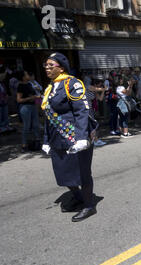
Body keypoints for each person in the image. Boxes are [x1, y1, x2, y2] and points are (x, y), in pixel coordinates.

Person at [41, 52, 97, 222]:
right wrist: (46, 140)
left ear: (62, 68)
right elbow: (49, 116)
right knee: (63, 173)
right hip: (57, 138)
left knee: (82, 173)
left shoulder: (73, 84)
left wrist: (81, 138)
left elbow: (81, 111)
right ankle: (78, 196)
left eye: (51, 65)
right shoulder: (51, 87)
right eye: (46, 65)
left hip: (75, 136)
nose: (47, 68)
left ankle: (89, 206)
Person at [16, 70, 41, 152]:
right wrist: (30, 98)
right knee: (26, 126)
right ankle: (24, 145)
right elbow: (19, 100)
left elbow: (33, 94)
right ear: (23, 77)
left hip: (33, 106)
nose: (28, 75)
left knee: (36, 125)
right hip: (25, 107)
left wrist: (36, 97)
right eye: (26, 74)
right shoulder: (20, 86)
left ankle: (37, 142)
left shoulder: (30, 84)